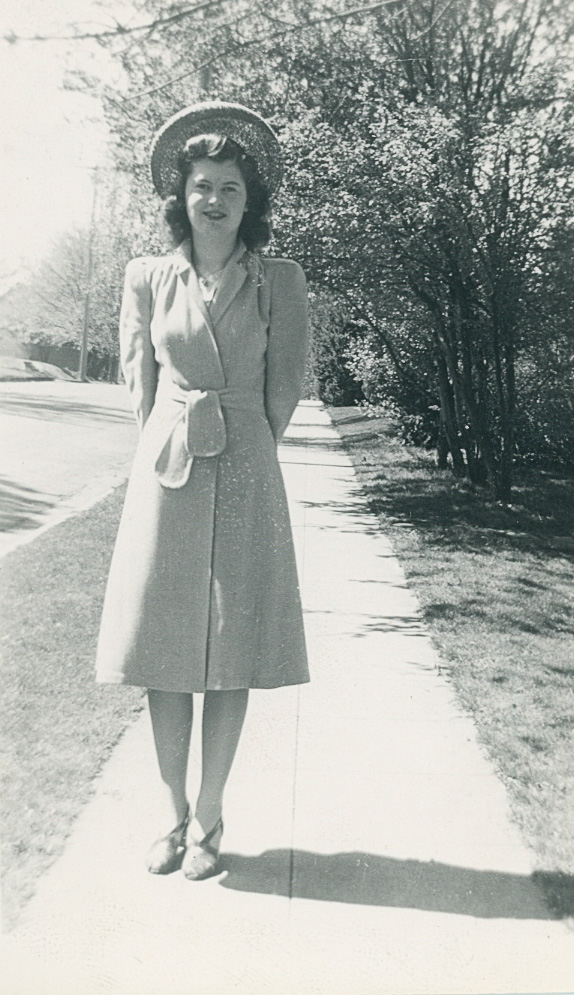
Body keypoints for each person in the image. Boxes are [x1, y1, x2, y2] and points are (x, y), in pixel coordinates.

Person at [95, 101, 309, 881]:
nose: (213, 199)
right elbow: (139, 382)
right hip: (168, 469)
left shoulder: (278, 280)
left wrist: (245, 443)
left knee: (232, 648)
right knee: (164, 649)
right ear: (179, 196)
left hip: (247, 464)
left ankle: (210, 818)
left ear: (250, 201)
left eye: (228, 187)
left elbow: (284, 385)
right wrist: (170, 441)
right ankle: (170, 814)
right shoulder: (147, 277)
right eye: (200, 186)